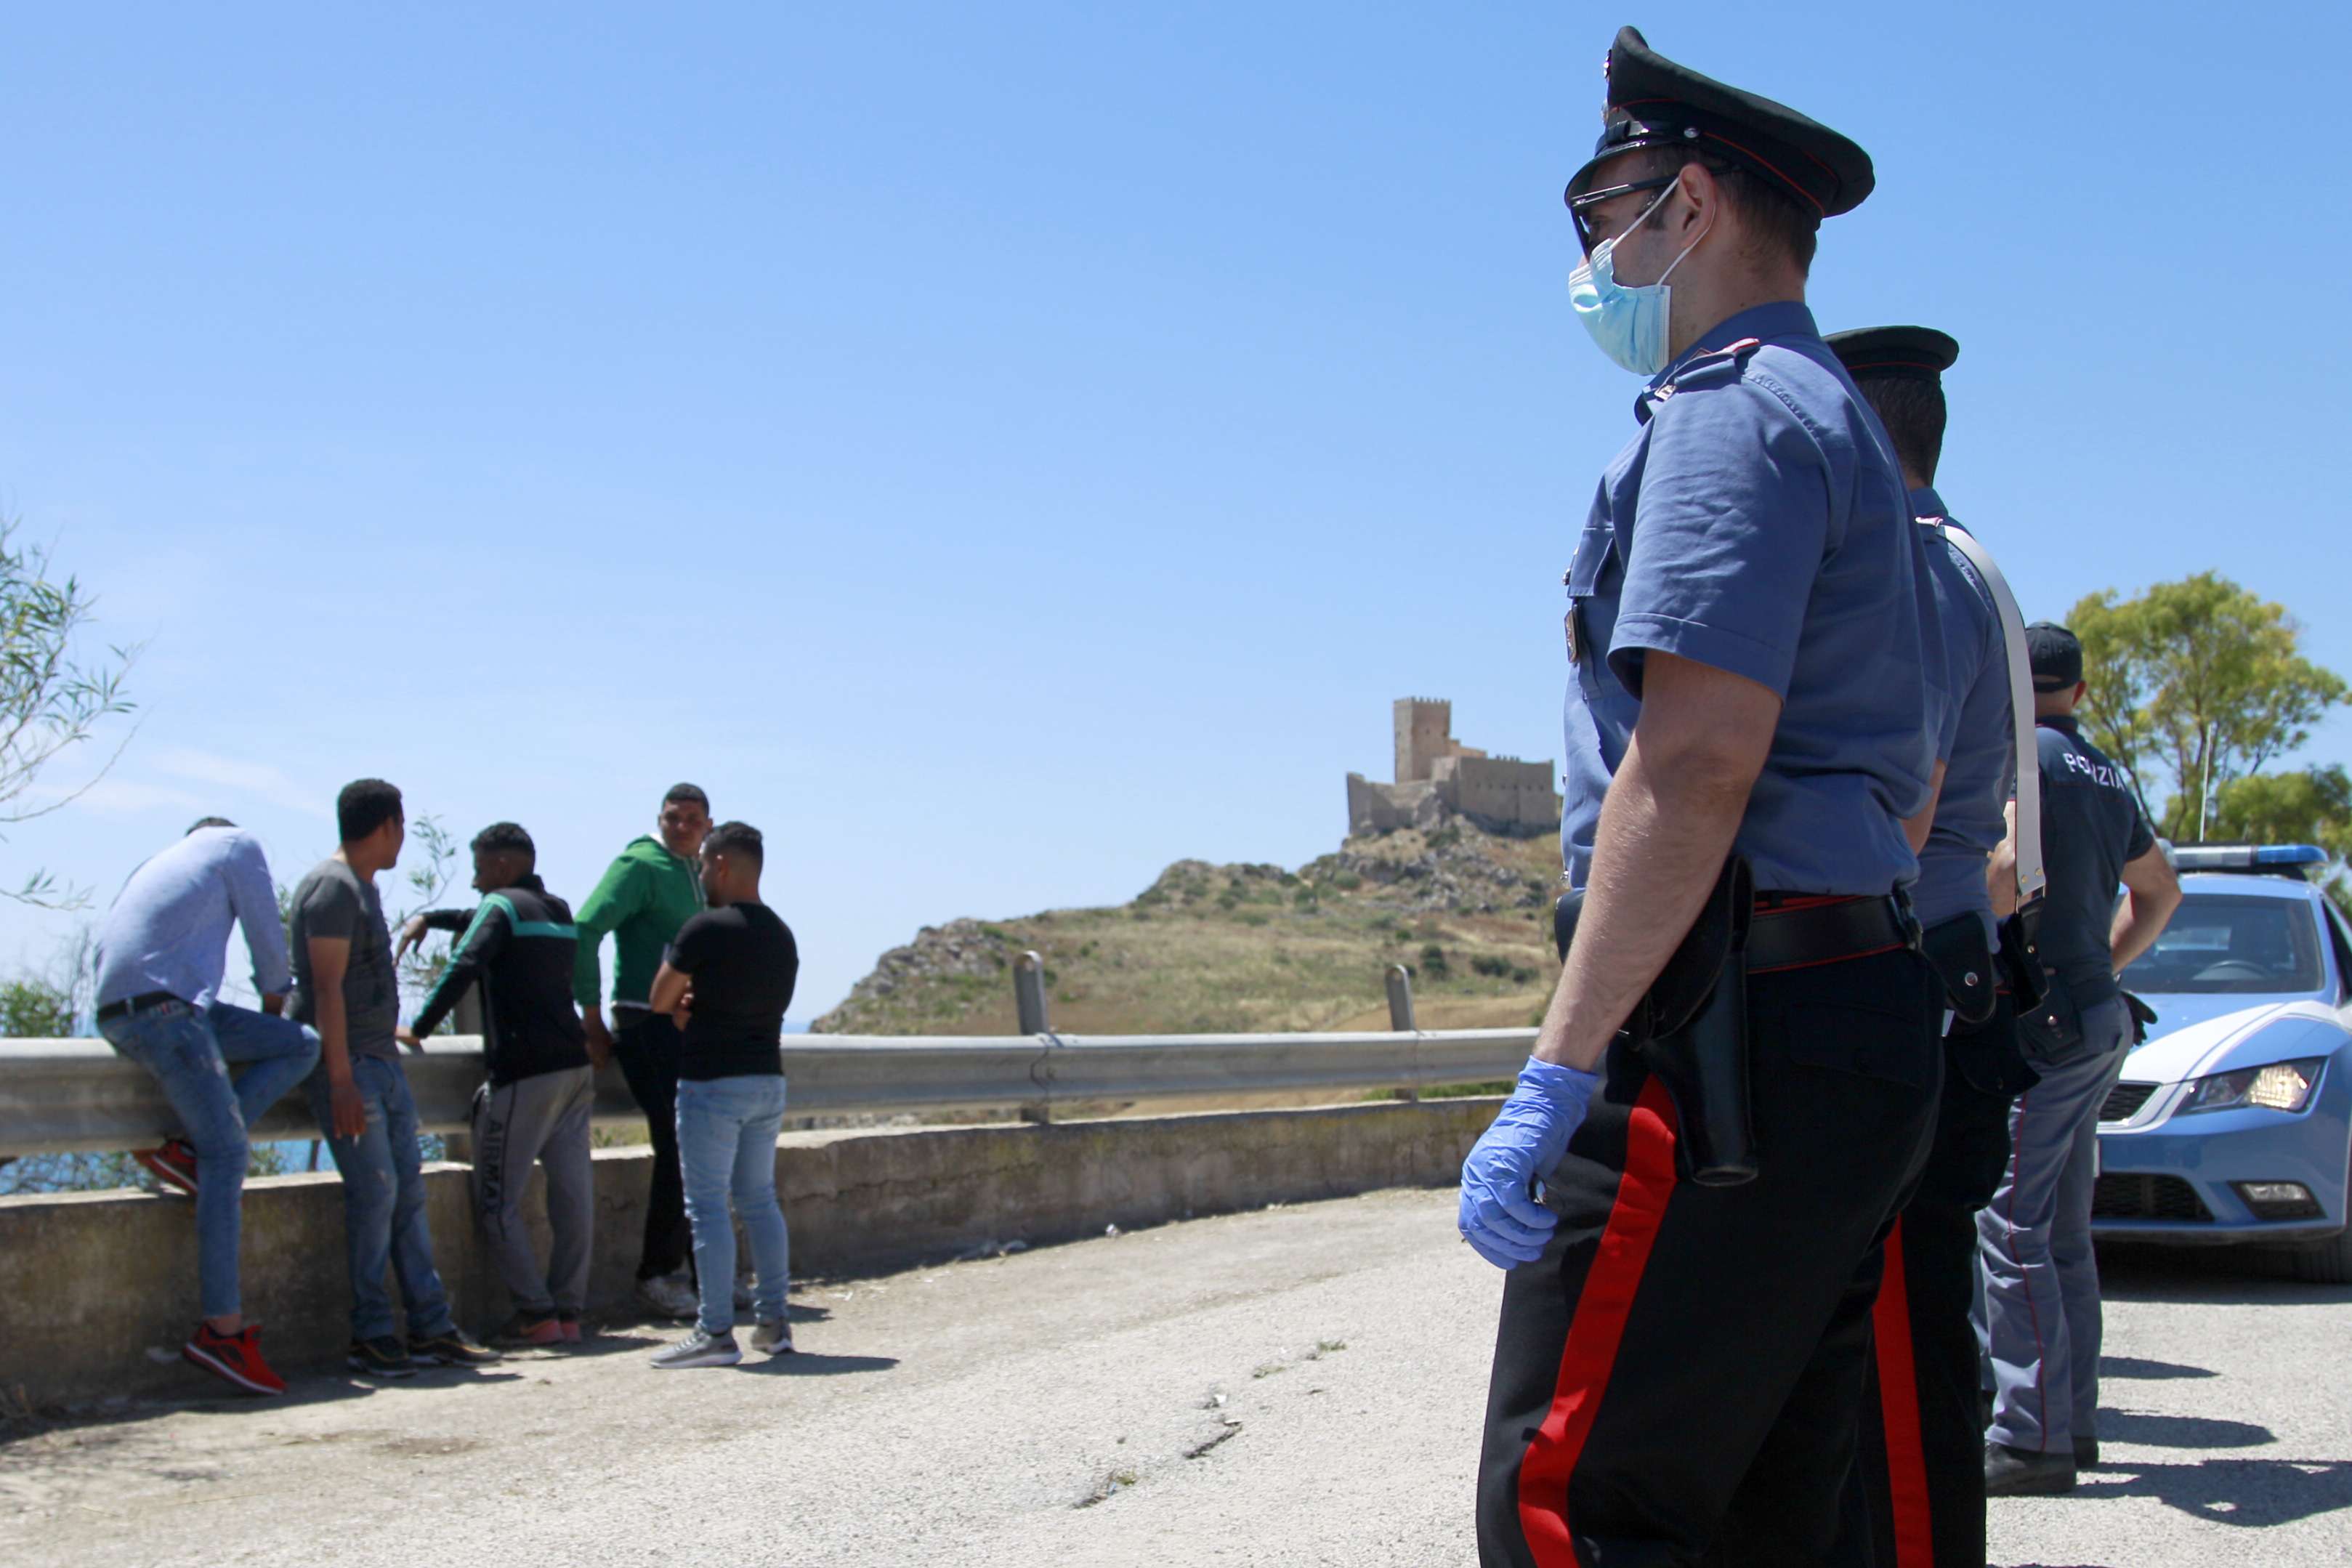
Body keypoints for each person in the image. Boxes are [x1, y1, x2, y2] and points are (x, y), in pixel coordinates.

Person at [1462, 29, 1949, 1563]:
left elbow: (1692, 761)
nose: (1597, 249)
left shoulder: (1731, 412)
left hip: (1722, 1034)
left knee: (1575, 1497)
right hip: (1838, 1001)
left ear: (1691, 202)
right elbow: (1917, 791)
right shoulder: (1838, 426)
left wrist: (1561, 1061)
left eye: (1606, 204)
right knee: (1762, 1507)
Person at [1830, 326, 2039, 1565]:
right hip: (1954, 982)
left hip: (1913, 991)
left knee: (1901, 1380)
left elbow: (1902, 808)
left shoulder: (1909, 569)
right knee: (1902, 1364)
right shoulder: (1961, 559)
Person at [1976, 625, 2181, 1493]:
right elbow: (2161, 889)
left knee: (2007, 1223)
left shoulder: (2021, 763)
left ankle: (2030, 1437)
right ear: (2083, 692)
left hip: (2042, 1023)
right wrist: (2103, 968)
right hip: (2099, 1013)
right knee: (2061, 1230)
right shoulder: (2106, 771)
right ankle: (2074, 1419)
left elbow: (2004, 871)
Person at [92, 818, 321, 1395]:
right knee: (228, 1155)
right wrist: (277, 994)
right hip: (166, 1011)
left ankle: (192, 1150)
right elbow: (270, 952)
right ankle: (222, 1331)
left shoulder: (158, 862)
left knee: (302, 1045)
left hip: (140, 1008)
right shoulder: (235, 844)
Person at [291, 779, 499, 1379]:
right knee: (376, 1195)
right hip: (350, 1067)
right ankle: (372, 1333)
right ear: (388, 824)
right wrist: (339, 1081)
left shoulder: (361, 888)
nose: (402, 839)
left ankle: (431, 1327)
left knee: (407, 1193)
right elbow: (325, 987)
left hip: (380, 1059)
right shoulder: (332, 887)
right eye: (401, 827)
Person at [396, 823, 594, 1347]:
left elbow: (466, 962)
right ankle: (569, 1312)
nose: (475, 882)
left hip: (523, 1073)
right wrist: (430, 918)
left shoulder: (500, 906)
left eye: (481, 868)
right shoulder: (555, 909)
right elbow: (477, 920)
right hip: (574, 1069)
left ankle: (536, 1314)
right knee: (573, 1197)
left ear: (503, 866)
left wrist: (416, 1029)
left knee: (495, 1201)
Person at [644, 820, 799, 1368]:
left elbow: (659, 998)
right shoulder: (782, 935)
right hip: (767, 1080)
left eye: (706, 865)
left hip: (712, 1083)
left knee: (707, 1208)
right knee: (759, 1200)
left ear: (723, 865)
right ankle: (774, 1323)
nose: (703, 875)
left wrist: (688, 1006)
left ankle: (714, 1333)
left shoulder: (704, 929)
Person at [575, 783, 711, 1321]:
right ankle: (656, 1276)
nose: (682, 828)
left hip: (689, 1028)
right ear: (660, 819)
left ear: (706, 825)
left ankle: (708, 1277)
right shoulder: (639, 865)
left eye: (692, 820)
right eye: (673, 819)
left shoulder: (699, 874)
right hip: (643, 1022)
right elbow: (585, 928)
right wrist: (591, 1020)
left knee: (703, 1145)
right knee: (679, 1145)